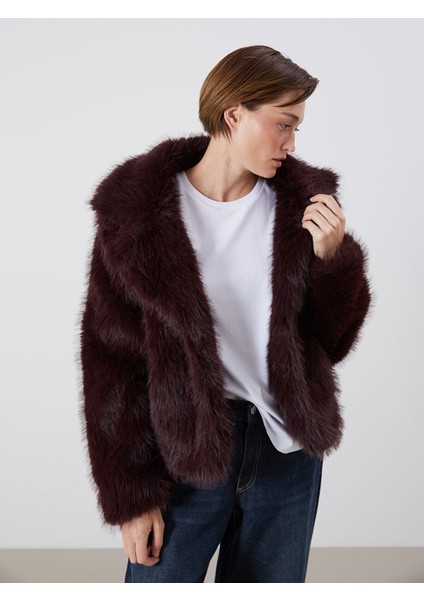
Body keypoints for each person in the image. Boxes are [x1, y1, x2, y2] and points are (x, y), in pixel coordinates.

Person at [79, 45, 372, 583]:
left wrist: (333, 262)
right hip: (185, 450)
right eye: (284, 123)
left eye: (297, 128)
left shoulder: (303, 209)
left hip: (285, 453)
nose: (292, 143)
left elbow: (330, 344)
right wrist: (132, 494)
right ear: (234, 114)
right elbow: (111, 364)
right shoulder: (137, 215)